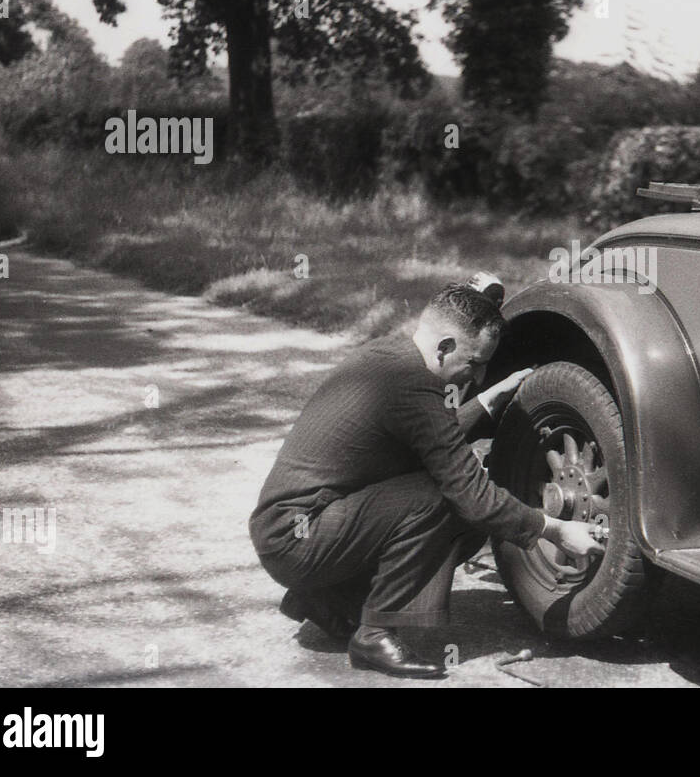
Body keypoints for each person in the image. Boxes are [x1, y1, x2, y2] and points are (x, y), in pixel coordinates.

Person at [249, 280, 603, 678]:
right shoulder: (414, 386)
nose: (480, 374)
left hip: (290, 529)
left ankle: (328, 599)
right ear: (445, 347)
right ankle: (375, 633)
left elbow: (429, 435)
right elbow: (469, 493)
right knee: (448, 499)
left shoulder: (390, 356)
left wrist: (489, 400)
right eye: (475, 362)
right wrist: (554, 530)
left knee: (460, 511)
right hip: (298, 540)